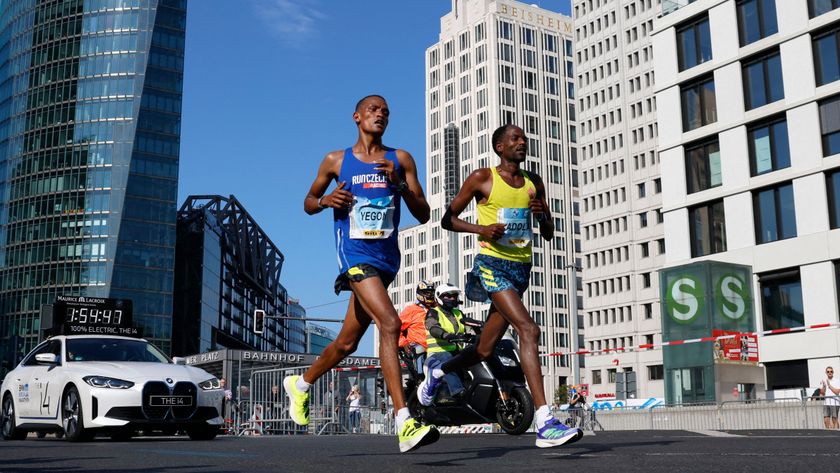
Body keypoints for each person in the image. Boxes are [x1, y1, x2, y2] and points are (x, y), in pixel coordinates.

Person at [284, 95, 438, 453]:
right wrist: (326, 201)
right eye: (373, 109)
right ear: (357, 117)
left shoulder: (400, 160)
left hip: (386, 261)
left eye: (385, 111)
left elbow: (424, 213)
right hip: (354, 256)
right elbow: (309, 201)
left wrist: (398, 184)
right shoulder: (336, 160)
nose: (380, 114)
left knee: (347, 342)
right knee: (390, 323)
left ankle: (302, 384)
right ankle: (404, 421)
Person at [417, 124, 583, 448]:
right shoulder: (483, 178)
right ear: (499, 147)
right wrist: (482, 228)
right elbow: (447, 219)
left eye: (524, 138)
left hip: (521, 269)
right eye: (514, 139)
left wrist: (543, 216)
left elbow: (548, 233)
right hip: (492, 266)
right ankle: (545, 422)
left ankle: (437, 374)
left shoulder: (534, 183)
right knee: (529, 330)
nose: (522, 142)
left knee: (484, 348)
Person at [423, 283, 468, 402]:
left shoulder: (458, 314)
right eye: (447, 296)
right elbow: (433, 327)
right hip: (437, 354)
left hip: (457, 352)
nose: (452, 298)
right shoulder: (434, 312)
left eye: (454, 295)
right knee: (449, 361)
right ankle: (458, 392)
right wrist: (446, 335)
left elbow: (470, 325)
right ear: (439, 297)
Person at [399, 280, 437, 376]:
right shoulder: (411, 310)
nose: (429, 295)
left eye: (431, 292)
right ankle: (419, 380)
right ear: (420, 293)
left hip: (437, 349)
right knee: (419, 349)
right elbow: (396, 329)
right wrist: (404, 344)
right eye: (426, 292)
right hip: (418, 350)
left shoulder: (438, 309)